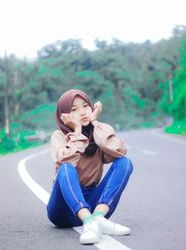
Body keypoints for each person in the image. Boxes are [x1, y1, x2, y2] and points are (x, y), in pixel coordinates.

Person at [47, 89, 134, 245]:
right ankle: (89, 221)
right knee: (66, 169)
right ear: (64, 115)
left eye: (85, 106)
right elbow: (66, 160)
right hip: (62, 209)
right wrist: (78, 130)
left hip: (94, 204)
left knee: (125, 162)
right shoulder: (58, 136)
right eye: (74, 109)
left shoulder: (97, 135)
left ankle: (98, 218)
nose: (82, 112)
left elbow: (119, 151)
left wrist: (94, 122)